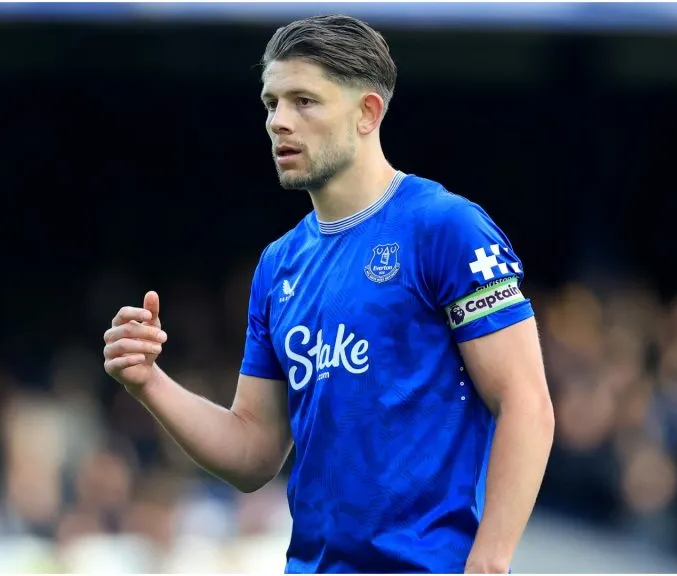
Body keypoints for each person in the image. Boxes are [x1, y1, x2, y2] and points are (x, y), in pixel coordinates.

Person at [103, 14, 554, 574]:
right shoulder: (278, 265)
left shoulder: (445, 228)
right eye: (271, 103)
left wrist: (489, 562)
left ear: (368, 112)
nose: (278, 122)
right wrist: (149, 382)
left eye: (304, 101)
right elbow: (252, 453)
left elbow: (526, 403)